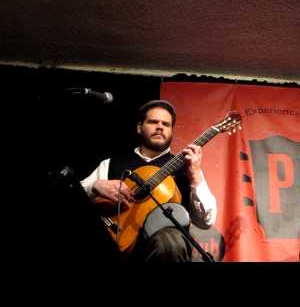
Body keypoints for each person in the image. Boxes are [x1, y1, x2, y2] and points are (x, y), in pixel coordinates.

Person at [81, 99, 217, 264]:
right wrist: (94, 186)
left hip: (160, 247)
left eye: (166, 124)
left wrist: (195, 175)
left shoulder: (188, 168)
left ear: (172, 131)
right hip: (112, 233)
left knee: (170, 243)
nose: (160, 126)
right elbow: (74, 193)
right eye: (153, 122)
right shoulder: (111, 163)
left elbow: (206, 222)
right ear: (140, 127)